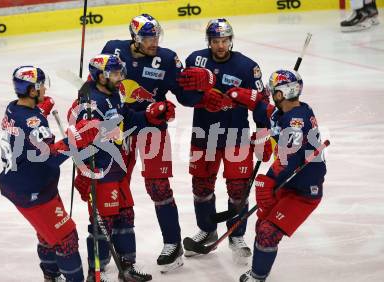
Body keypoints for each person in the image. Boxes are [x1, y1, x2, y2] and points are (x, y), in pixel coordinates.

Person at [67, 54, 175, 281]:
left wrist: (151, 115)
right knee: (102, 221)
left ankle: (126, 267)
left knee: (125, 216)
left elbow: (129, 120)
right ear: (100, 76)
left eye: (119, 73)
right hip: (101, 170)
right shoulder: (89, 102)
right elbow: (79, 138)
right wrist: (85, 171)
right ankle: (96, 271)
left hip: (118, 168)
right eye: (114, 74)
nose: (119, 78)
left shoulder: (115, 95)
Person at [177, 18, 270, 265]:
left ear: (231, 40)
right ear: (209, 42)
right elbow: (183, 96)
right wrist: (201, 98)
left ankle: (236, 235)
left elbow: (261, 103)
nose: (220, 46)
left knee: (238, 188)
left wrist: (263, 134)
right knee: (201, 187)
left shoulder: (248, 67)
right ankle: (207, 230)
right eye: (216, 41)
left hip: (236, 135)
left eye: (225, 41)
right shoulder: (195, 60)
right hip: (204, 134)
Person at [0, 65, 100, 281]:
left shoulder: (13, 108)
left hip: (27, 184)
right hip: (32, 190)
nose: (45, 89)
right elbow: (50, 158)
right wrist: (78, 138)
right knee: (66, 239)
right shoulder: (32, 123)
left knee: (48, 235)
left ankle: (51, 276)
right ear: (33, 90)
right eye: (41, 86)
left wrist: (39, 111)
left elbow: (26, 128)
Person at [99, 14, 185, 272]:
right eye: (148, 37)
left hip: (153, 127)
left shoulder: (168, 59)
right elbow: (98, 81)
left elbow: (186, 95)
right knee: (114, 188)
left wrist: (200, 86)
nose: (154, 41)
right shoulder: (112, 48)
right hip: (119, 128)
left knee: (159, 187)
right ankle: (108, 247)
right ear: (135, 38)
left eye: (156, 36)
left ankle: (173, 243)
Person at [225, 70, 327, 281]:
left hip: (304, 191)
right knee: (262, 223)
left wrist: (269, 179)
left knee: (267, 231)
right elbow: (270, 112)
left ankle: (258, 277)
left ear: (280, 94)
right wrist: (249, 99)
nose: (271, 94)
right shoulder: (293, 110)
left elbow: (288, 158)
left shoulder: (296, 123)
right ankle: (257, 272)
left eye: (273, 92)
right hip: (288, 184)